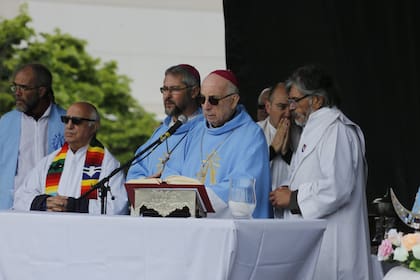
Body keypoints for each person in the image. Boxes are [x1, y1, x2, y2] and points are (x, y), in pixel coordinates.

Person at [269, 65, 371, 279]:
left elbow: (337, 187)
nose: (291, 108)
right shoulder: (313, 129)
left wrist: (294, 198)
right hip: (315, 241)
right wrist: (288, 190)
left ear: (317, 100)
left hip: (335, 246)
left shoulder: (336, 131)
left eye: (295, 101)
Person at [163, 70, 272, 218]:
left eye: (213, 100)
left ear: (233, 101)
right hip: (189, 223)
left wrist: (195, 198)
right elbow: (171, 170)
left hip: (228, 228)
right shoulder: (195, 130)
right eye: (202, 99)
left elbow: (242, 188)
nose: (206, 106)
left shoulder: (251, 136)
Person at [13, 102, 128, 214]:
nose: (69, 126)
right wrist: (45, 203)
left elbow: (117, 206)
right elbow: (20, 198)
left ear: (93, 127)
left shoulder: (107, 164)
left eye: (76, 121)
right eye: (66, 120)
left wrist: (73, 206)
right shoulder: (49, 162)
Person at [0, 63, 66, 210]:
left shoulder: (67, 122)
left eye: (23, 88)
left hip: (53, 207)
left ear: (41, 91)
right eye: (15, 87)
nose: (17, 93)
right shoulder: (5, 123)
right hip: (11, 208)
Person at [126, 64, 203, 180]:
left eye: (175, 89)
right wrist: (147, 183)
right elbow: (135, 173)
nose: (167, 96)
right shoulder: (160, 133)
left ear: (194, 92)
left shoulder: (206, 130)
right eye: (165, 89)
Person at [257, 83, 292, 218]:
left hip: (291, 211)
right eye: (282, 107)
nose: (288, 113)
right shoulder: (254, 132)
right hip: (262, 209)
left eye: (291, 106)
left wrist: (286, 153)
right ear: (268, 107)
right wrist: (272, 151)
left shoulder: (303, 133)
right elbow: (245, 169)